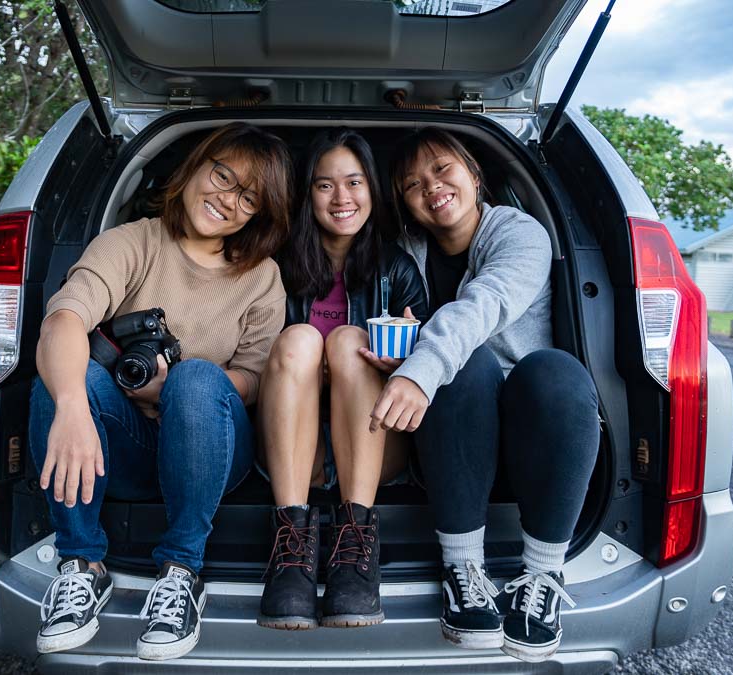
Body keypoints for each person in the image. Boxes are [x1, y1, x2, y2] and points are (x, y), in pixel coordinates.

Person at [27, 122, 292, 660]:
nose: (227, 199)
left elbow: (255, 379)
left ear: (259, 215)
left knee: (197, 378)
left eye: (249, 197)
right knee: (60, 377)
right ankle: (81, 565)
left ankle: (180, 573)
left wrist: (171, 389)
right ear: (195, 167)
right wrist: (74, 406)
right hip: (121, 448)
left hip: (212, 447)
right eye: (223, 174)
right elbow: (64, 320)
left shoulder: (262, 276)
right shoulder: (135, 241)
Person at [367, 128, 600, 662]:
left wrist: (422, 364)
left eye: (443, 170)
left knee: (556, 372)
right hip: (450, 448)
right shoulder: (405, 254)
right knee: (463, 366)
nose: (432, 187)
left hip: (529, 445)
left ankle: (541, 577)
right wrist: (397, 357)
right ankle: (463, 570)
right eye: (412, 183)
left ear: (474, 175)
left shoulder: (522, 235)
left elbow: (484, 303)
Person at [256, 129, 428, 631]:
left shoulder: (396, 269)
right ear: (306, 194)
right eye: (324, 185)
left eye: (354, 182)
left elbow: (432, 366)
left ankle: (354, 547)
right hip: (293, 452)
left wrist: (405, 369)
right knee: (299, 340)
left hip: (375, 450)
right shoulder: (277, 266)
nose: (342, 198)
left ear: (372, 189)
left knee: (352, 341)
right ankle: (291, 547)